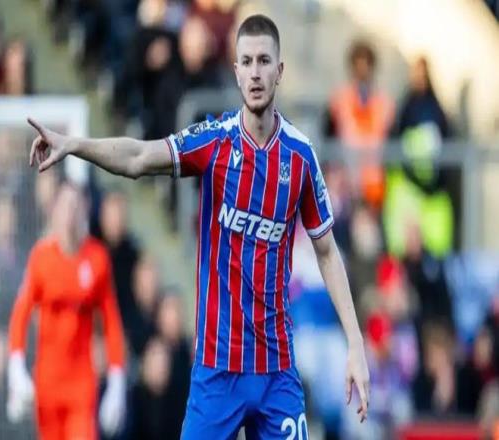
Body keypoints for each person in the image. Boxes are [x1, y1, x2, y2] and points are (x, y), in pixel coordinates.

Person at [27, 14, 370, 439]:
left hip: (277, 372)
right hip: (217, 373)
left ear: (280, 70)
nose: (256, 72)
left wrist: (355, 344)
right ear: (236, 70)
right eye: (247, 62)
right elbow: (138, 158)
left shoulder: (300, 156)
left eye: (265, 61)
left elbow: (327, 251)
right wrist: (75, 145)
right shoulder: (215, 142)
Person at [7, 182, 126, 440]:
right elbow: (21, 314)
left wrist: (117, 379)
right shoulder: (41, 258)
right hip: (48, 381)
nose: (70, 213)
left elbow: (111, 321)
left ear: (84, 209)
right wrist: (16, 367)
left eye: (75, 205)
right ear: (55, 211)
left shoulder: (97, 258)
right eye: (65, 206)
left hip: (81, 382)